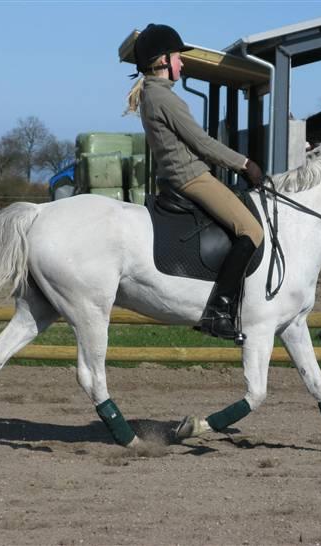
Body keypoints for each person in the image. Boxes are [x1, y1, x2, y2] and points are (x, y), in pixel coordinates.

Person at [125, 24, 264, 340]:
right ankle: (219, 311)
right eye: (178, 57)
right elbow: (203, 143)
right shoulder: (164, 98)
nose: (182, 63)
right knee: (251, 230)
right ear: (163, 60)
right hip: (192, 178)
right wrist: (244, 164)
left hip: (179, 176)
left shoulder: (152, 94)